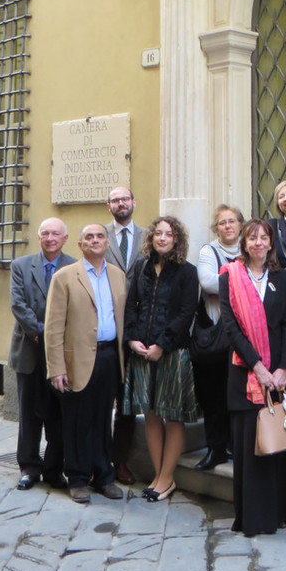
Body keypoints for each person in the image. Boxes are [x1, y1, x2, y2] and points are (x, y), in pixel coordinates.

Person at [219, 219, 286, 536]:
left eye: (263, 237)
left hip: (278, 378)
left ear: (271, 243)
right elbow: (231, 328)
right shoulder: (231, 277)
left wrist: (282, 369)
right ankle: (253, 518)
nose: (258, 243)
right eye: (252, 238)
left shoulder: (283, 279)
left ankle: (279, 513)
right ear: (244, 243)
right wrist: (259, 368)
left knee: (277, 447)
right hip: (244, 376)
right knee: (250, 448)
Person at [45, 224, 126, 504]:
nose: (95, 240)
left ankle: (104, 476)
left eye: (100, 236)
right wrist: (56, 367)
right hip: (77, 359)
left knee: (104, 419)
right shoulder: (65, 277)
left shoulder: (118, 276)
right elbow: (53, 327)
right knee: (78, 420)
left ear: (107, 243)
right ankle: (78, 478)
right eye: (88, 237)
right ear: (80, 245)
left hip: (109, 357)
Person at [122, 216, 199, 502]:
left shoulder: (187, 272)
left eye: (169, 234)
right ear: (152, 237)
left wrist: (161, 345)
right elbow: (131, 304)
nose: (163, 238)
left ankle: (167, 478)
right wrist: (131, 339)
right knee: (152, 414)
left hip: (172, 352)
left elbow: (186, 314)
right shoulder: (141, 267)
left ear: (177, 239)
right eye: (158, 233)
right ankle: (158, 475)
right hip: (141, 351)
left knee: (173, 416)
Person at [8, 217, 75, 491]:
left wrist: (54, 337)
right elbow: (18, 304)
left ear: (64, 238)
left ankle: (53, 469)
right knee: (28, 413)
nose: (50, 238)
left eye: (55, 234)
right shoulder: (21, 266)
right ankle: (29, 467)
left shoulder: (73, 267)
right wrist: (42, 332)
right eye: (45, 233)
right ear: (39, 237)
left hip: (61, 354)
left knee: (58, 413)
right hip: (29, 349)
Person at [192, 204, 244, 471]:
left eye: (232, 221)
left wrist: (227, 279)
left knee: (238, 394)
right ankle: (215, 448)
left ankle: (237, 446)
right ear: (216, 228)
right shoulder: (208, 251)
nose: (227, 226)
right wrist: (242, 281)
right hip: (217, 334)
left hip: (245, 335)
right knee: (214, 395)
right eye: (222, 222)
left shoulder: (249, 248)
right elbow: (208, 282)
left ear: (240, 225)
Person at [106, 186, 146, 485]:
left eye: (125, 198)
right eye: (115, 200)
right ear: (109, 206)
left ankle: (119, 461)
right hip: (106, 328)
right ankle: (97, 458)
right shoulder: (99, 236)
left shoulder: (149, 236)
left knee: (127, 402)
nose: (121, 203)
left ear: (134, 202)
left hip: (137, 329)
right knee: (100, 400)